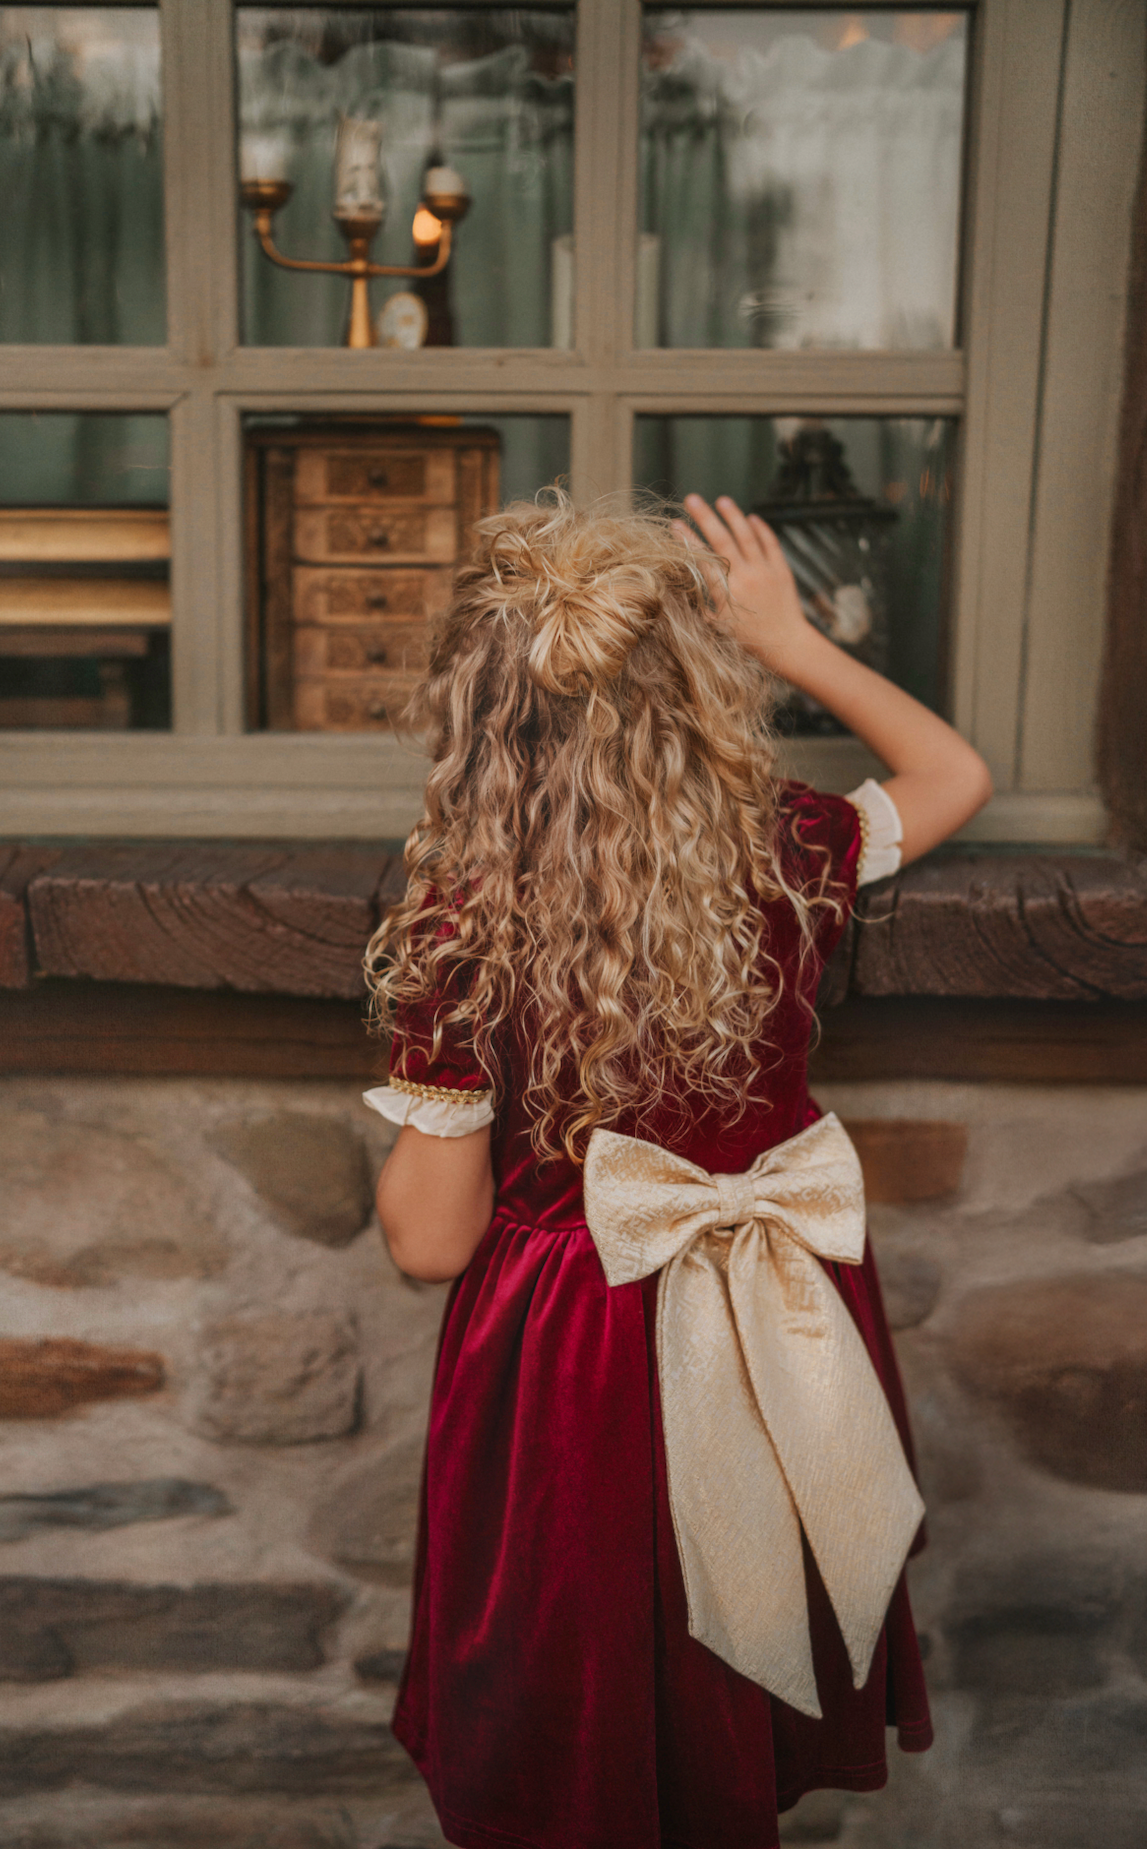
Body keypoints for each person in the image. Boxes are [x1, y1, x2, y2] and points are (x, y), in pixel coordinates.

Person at [362, 491, 992, 1849]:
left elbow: (426, 1239)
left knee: (584, 1658)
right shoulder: (785, 847)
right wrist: (796, 638)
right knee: (725, 1646)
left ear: (478, 707)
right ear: (696, 682)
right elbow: (952, 776)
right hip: (778, 1312)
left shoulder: (464, 920)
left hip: (571, 1357)